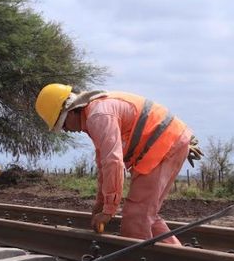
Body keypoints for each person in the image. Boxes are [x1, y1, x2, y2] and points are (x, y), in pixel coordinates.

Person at [35, 84, 203, 245]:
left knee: (136, 215)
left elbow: (113, 163)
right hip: (164, 144)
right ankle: (176, 259)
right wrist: (100, 203)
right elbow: (103, 164)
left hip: (164, 145)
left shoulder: (98, 116)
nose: (66, 130)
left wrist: (108, 211)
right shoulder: (94, 114)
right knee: (145, 215)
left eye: (63, 124)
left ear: (70, 111)